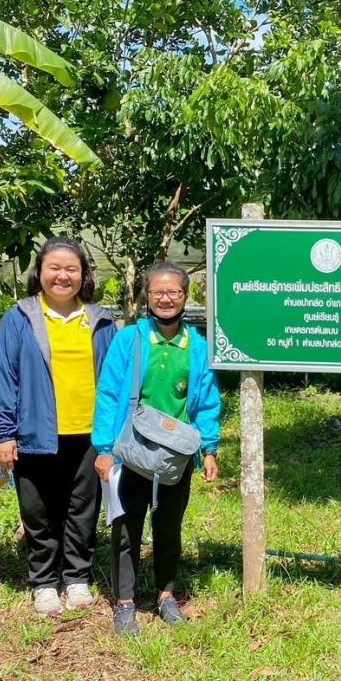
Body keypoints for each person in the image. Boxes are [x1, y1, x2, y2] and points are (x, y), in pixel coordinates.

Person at [92, 262, 221, 636]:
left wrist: (208, 449)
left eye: (174, 292)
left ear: (185, 296)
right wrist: (104, 448)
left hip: (174, 457)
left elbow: (207, 402)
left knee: (168, 527)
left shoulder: (197, 347)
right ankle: (126, 603)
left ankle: (166, 595)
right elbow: (109, 394)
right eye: (158, 292)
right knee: (126, 528)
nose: (166, 299)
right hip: (129, 451)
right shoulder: (129, 339)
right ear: (146, 296)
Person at [0, 238, 116, 617]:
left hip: (89, 434)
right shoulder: (20, 317)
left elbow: (115, 378)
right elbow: (3, 375)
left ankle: (77, 576)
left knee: (83, 507)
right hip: (34, 433)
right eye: (54, 268)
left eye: (71, 269)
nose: (63, 276)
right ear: (39, 273)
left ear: (83, 275)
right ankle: (44, 581)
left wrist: (113, 434)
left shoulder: (100, 319)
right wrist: (3, 432)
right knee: (38, 509)